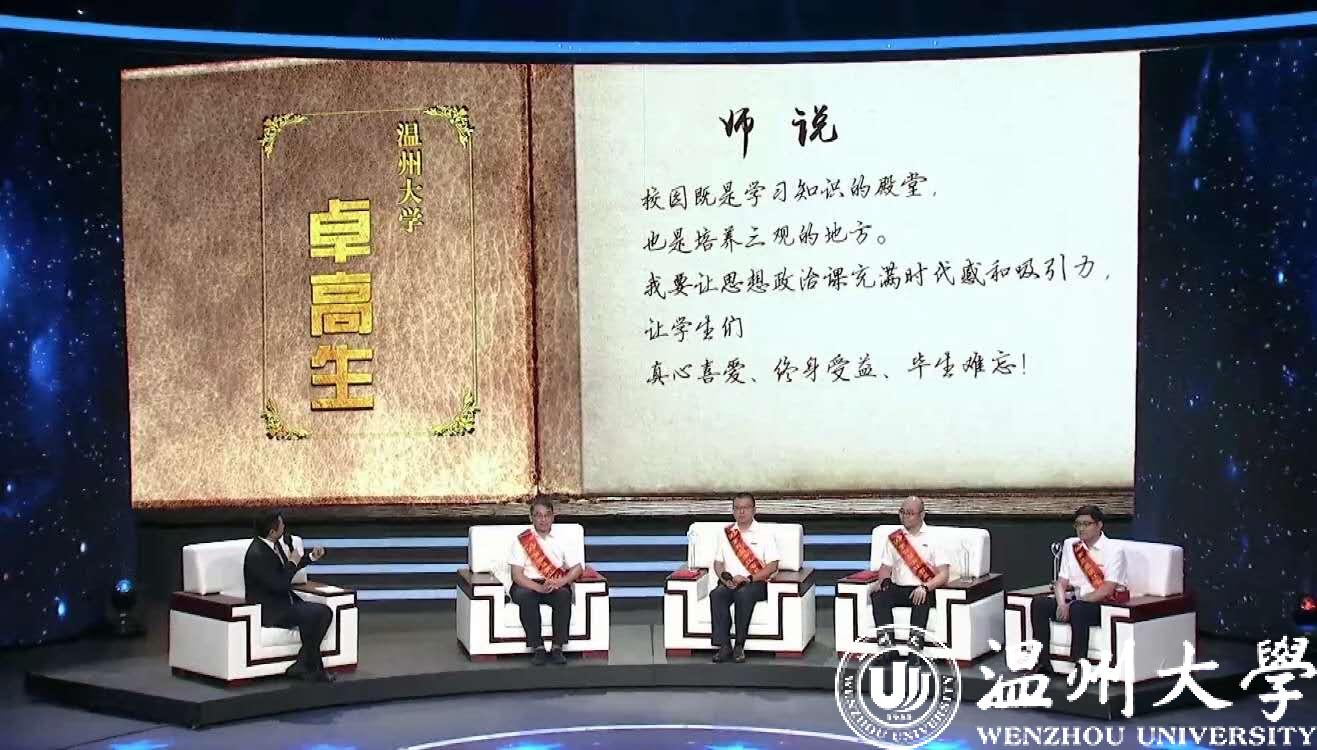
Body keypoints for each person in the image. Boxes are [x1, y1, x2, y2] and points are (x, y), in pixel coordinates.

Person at [1029, 504, 1129, 676]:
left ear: (1099, 525)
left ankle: (1079, 666)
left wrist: (1072, 604)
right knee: (1039, 604)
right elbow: (1061, 582)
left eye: (1086, 524)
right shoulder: (1072, 546)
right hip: (1076, 602)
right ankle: (1043, 663)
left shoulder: (1114, 550)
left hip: (1103, 605)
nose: (1081, 529)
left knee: (1078, 609)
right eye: (1078, 524)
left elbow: (1107, 589)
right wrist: (1062, 604)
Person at [243, 511, 333, 682]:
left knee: (318, 615)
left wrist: (311, 557)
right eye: (281, 524)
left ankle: (304, 665)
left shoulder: (273, 545)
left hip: (284, 603)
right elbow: (279, 584)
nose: (284, 527)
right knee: (321, 613)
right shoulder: (257, 554)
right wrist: (292, 562)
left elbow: (286, 570)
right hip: (271, 610)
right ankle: (309, 666)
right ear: (272, 532)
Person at [870, 496, 950, 662]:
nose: (905, 516)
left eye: (910, 513)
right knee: (879, 596)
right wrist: (884, 581)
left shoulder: (934, 538)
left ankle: (915, 650)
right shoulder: (895, 538)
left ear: (922, 515)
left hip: (924, 588)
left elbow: (944, 574)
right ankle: (887, 647)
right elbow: (885, 568)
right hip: (899, 587)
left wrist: (926, 587)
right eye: (902, 512)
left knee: (921, 598)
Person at [509, 498, 582, 665]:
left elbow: (577, 568)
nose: (543, 519)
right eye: (538, 515)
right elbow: (516, 575)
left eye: (547, 515)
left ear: (553, 517)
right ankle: (538, 648)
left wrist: (561, 581)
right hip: (527, 583)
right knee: (526, 597)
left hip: (553, 582)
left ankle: (557, 647)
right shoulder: (522, 541)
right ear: (531, 518)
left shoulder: (562, 539)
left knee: (563, 595)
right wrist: (538, 588)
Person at [710, 492, 780, 664]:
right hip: (731, 581)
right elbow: (718, 563)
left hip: (755, 582)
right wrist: (725, 578)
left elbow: (773, 565)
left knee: (743, 594)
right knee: (717, 594)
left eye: (745, 508)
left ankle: (739, 645)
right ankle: (724, 645)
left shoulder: (765, 533)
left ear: (754, 510)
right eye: (737, 508)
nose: (741, 512)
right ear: (733, 511)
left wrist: (749, 578)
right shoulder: (726, 533)